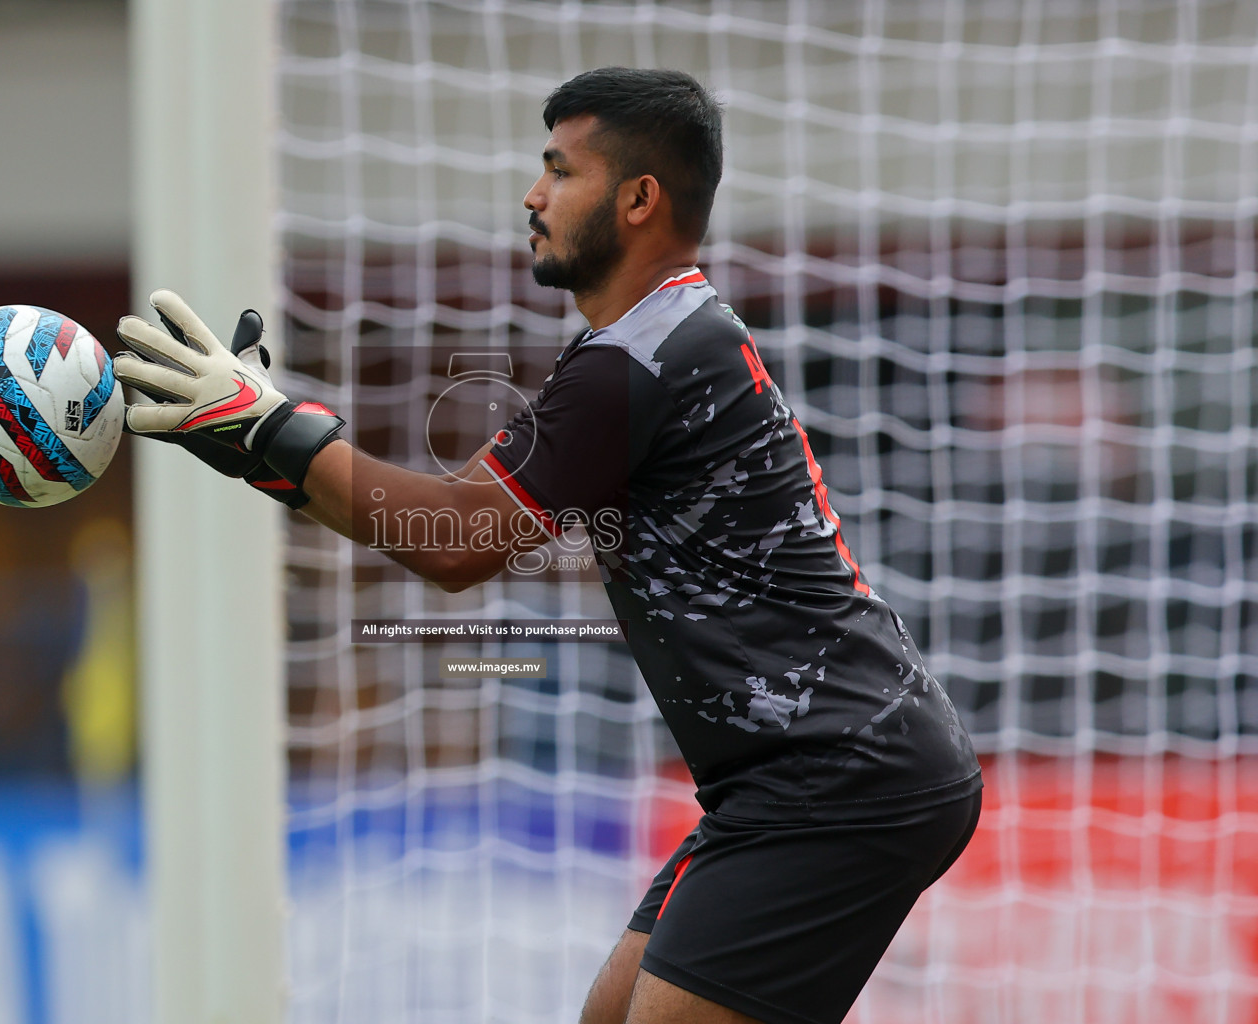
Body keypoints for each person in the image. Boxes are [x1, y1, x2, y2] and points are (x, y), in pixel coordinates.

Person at [113, 67, 982, 1024]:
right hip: (794, 776)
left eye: (560, 171)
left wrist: (274, 429)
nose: (532, 196)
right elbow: (450, 528)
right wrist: (261, 451)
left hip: (843, 771)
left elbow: (453, 542)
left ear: (639, 198)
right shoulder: (653, 343)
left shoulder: (643, 362)